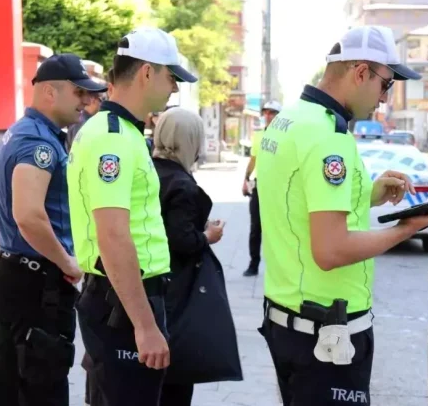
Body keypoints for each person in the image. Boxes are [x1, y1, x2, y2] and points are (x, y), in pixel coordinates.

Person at [254, 25, 428, 405]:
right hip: (325, 334)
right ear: (361, 72)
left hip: (290, 318)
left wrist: (368, 194)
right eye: (386, 85)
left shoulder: (289, 119)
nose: (385, 98)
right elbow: (331, 251)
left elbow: (296, 202)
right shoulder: (329, 138)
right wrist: (407, 229)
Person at [67, 27, 198, 406]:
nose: (174, 88)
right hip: (121, 306)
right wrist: (144, 325)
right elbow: (113, 235)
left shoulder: (118, 131)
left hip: (118, 299)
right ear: (146, 72)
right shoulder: (113, 138)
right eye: (171, 77)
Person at [0, 53, 107, 406]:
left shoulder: (26, 131)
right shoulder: (38, 143)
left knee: (9, 382)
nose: (85, 101)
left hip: (16, 273)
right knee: (43, 386)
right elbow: (29, 216)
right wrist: (67, 262)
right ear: (50, 93)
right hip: (36, 283)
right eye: (79, 92)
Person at [151, 107, 225, 405]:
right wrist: (208, 236)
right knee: (175, 384)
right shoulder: (181, 184)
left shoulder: (148, 169)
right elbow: (180, 239)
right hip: (175, 290)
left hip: (149, 285)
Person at [242, 100, 282, 277]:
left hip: (278, 189)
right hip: (259, 187)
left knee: (277, 228)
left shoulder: (285, 136)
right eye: (266, 112)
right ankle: (253, 264)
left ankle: (278, 267)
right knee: (255, 228)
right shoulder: (258, 136)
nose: (268, 116)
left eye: (272, 113)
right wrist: (245, 179)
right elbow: (253, 159)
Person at [67, 76, 108, 146]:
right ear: (93, 99)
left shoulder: (86, 119)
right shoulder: (81, 122)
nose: (103, 104)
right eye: (102, 100)